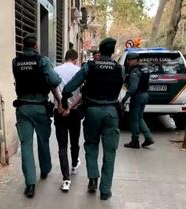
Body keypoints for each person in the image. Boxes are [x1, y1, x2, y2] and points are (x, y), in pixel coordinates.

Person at [61, 38, 123, 200]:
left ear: (100, 51)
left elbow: (71, 86)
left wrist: (64, 99)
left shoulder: (90, 66)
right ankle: (105, 190)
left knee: (91, 145)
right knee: (110, 151)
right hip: (111, 112)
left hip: (93, 111)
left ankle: (93, 179)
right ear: (113, 51)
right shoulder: (119, 68)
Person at [12, 33, 62, 198]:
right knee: (43, 140)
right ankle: (45, 169)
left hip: (23, 108)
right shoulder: (42, 60)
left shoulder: (16, 62)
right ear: (35, 46)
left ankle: (30, 185)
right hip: (40, 107)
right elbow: (54, 81)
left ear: (23, 46)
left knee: (26, 145)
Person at [53, 49, 82, 192]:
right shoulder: (79, 71)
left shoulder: (55, 70)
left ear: (65, 58)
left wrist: (60, 105)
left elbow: (52, 89)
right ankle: (75, 164)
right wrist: (71, 106)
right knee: (74, 141)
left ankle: (66, 179)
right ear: (75, 59)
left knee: (62, 146)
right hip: (74, 111)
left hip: (59, 112)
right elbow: (83, 93)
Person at [120, 53, 154, 149]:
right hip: (145, 95)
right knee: (139, 118)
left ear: (136, 60)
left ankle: (135, 141)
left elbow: (133, 88)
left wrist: (124, 99)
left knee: (134, 119)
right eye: (128, 60)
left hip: (138, 96)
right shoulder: (143, 68)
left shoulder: (135, 71)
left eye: (130, 60)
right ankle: (148, 137)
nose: (128, 62)